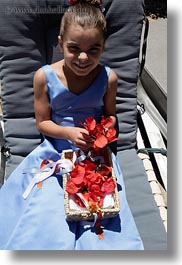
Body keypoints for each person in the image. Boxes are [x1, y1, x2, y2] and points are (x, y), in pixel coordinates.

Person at [0, 0, 144, 250]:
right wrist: (67, 132)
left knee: (100, 212)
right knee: (46, 214)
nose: (83, 58)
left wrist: (101, 132)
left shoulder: (108, 78)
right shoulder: (44, 77)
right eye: (74, 48)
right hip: (55, 151)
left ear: (104, 47)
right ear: (60, 43)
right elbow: (43, 122)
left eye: (94, 49)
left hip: (94, 153)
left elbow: (111, 117)